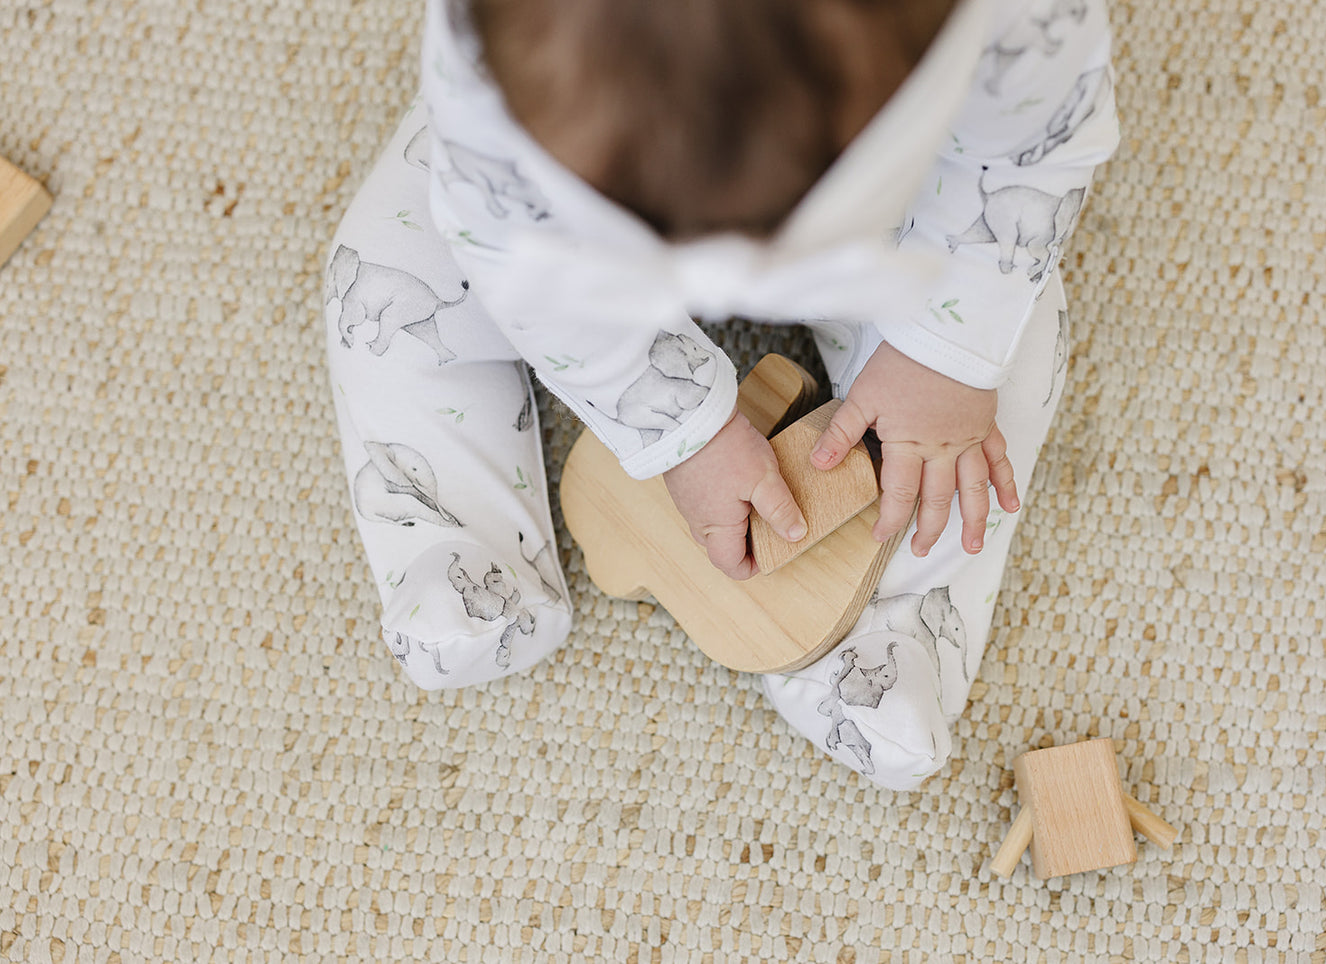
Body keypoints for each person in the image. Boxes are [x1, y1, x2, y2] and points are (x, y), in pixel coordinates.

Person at [324, 0, 1120, 789]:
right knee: (383, 271)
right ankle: (457, 545)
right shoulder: (499, 86)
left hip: (894, 213)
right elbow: (508, 260)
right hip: (557, 188)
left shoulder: (1016, 19)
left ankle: (890, 640)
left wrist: (942, 361)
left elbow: (1030, 153)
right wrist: (678, 429)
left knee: (992, 376)